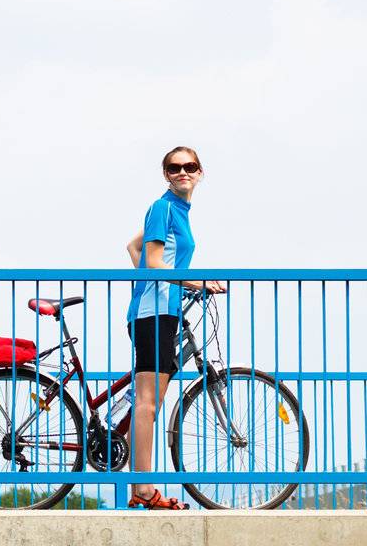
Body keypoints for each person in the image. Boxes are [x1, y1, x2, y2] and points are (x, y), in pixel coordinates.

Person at [123, 146, 226, 509]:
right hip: (152, 313)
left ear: (200, 172)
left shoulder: (178, 210)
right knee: (148, 404)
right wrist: (193, 282)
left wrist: (164, 286)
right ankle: (143, 490)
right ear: (166, 174)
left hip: (163, 309)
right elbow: (152, 260)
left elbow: (133, 247)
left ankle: (140, 486)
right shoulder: (163, 206)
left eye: (190, 166)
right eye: (175, 167)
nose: (183, 172)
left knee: (150, 401)